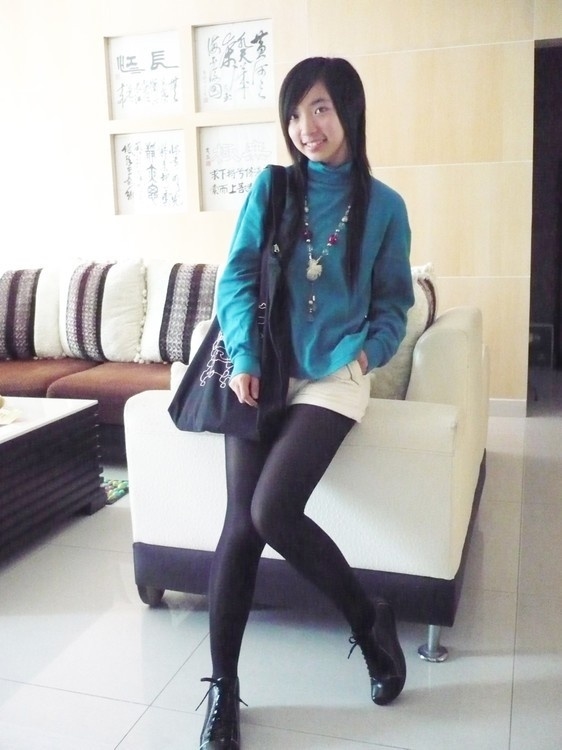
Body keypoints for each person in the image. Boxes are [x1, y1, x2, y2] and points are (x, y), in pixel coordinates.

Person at [199, 56, 415, 750]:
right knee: (239, 525)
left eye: (319, 108)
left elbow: (395, 303)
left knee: (271, 511)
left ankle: (367, 619)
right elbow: (235, 277)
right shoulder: (273, 189)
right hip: (266, 366)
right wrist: (245, 357)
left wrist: (369, 352)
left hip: (334, 374)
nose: (305, 127)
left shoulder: (385, 207)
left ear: (348, 109)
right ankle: (223, 692)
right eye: (294, 114)